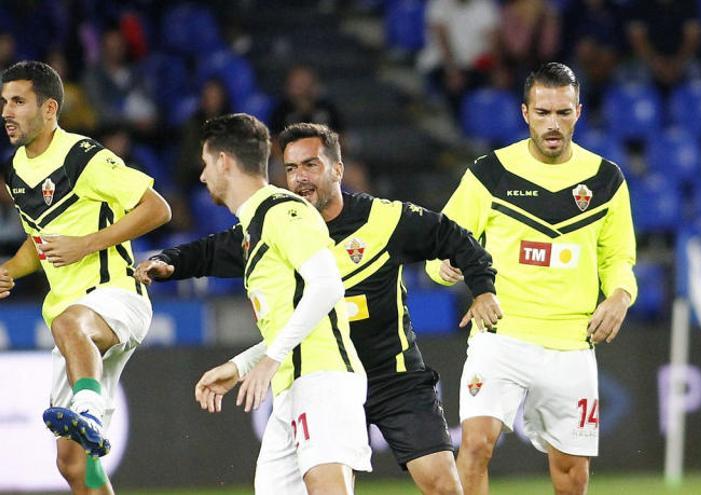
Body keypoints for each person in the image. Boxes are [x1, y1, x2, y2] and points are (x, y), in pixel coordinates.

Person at [135, 122, 503, 494]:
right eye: (291, 169)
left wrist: (482, 289)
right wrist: (170, 261)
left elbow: (454, 236)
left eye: (311, 166)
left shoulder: (384, 219)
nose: (299, 179)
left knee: (443, 486)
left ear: (337, 170)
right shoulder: (279, 226)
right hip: (323, 373)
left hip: (391, 377)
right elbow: (211, 250)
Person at [426, 62, 638, 495]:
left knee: (571, 473)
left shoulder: (605, 180)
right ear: (525, 113)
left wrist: (619, 296)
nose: (553, 124)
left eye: (563, 112)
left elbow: (618, 257)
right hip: (500, 333)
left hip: (571, 341)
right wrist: (443, 265)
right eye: (543, 113)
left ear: (579, 111)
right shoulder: (491, 173)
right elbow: (440, 240)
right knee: (475, 447)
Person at [156, 113, 371, 494]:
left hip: (322, 379)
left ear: (224, 161)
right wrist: (241, 365)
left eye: (206, 164)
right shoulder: (255, 226)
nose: (203, 176)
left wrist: (270, 362)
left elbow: (327, 287)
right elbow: (294, 318)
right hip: (292, 385)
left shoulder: (283, 211)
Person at [0, 60, 171, 494]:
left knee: (69, 322)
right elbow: (40, 241)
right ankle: (87, 412)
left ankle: (88, 406)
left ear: (50, 108)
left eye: (18, 101)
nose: (6, 112)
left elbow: (157, 209)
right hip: (73, 329)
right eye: (3, 102)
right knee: (75, 466)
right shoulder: (16, 170)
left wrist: (87, 244)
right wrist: (9, 270)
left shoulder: (85, 156)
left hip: (116, 296)